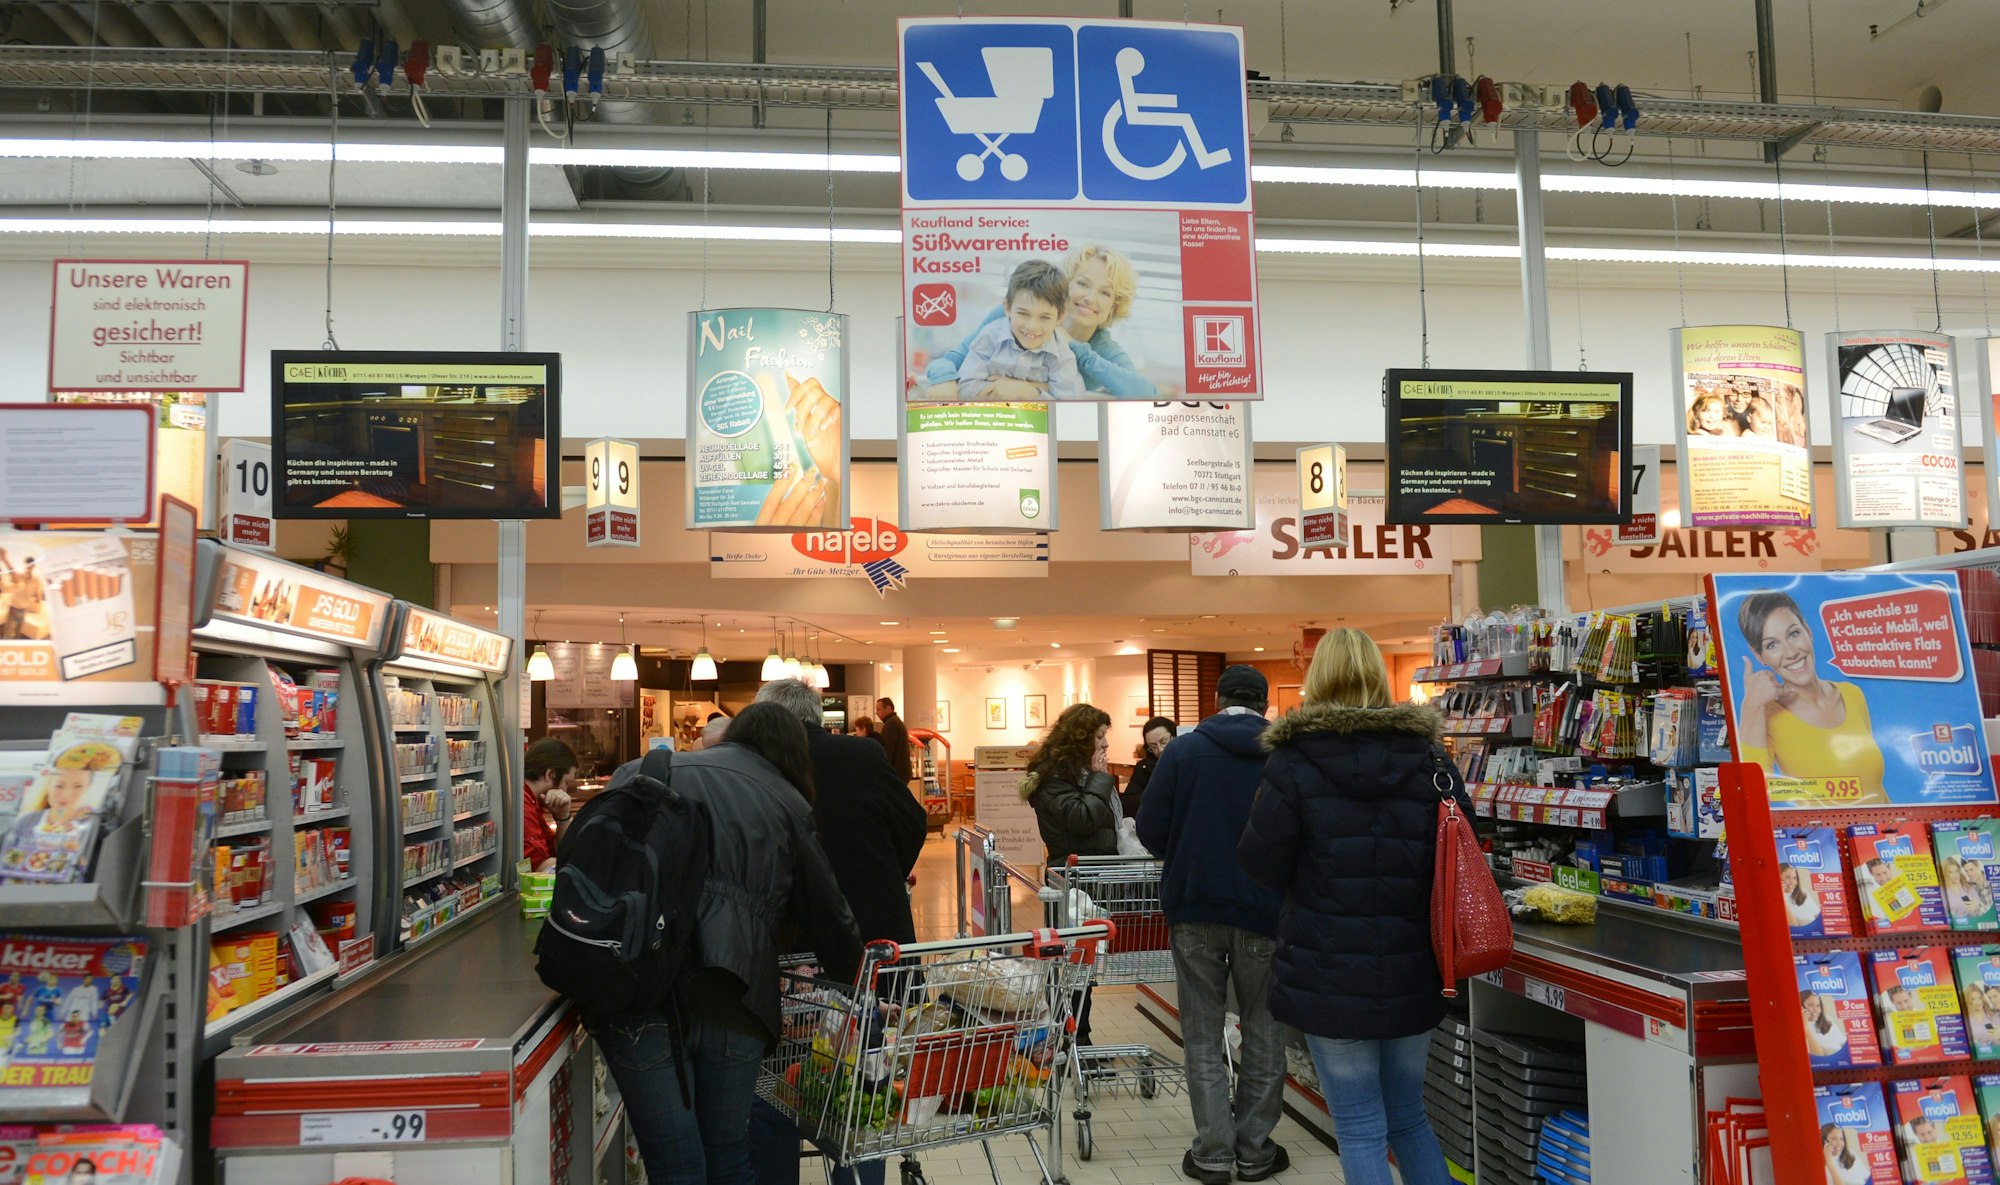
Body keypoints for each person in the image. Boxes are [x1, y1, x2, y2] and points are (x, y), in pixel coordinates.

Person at [594, 701, 862, 1185]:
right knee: (727, 1155)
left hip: (635, 992)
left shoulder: (640, 772)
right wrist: (857, 982)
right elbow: (831, 914)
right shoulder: (783, 798)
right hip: (734, 996)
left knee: (675, 1165)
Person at [1238, 628, 1470, 1185]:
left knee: (1361, 1126)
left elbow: (1260, 865)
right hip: (1417, 964)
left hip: (1327, 968)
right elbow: (1463, 847)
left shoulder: (1291, 763)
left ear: (1318, 679)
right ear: (1376, 676)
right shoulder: (1429, 758)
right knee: (1410, 1118)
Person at [749, 679, 929, 1185]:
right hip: (869, 948)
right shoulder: (860, 755)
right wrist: (881, 874)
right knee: (861, 1083)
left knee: (775, 1085)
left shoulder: (758, 767)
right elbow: (913, 822)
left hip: (785, 957)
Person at [1135, 670, 1288, 1185]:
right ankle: (1255, 1149)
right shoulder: (1283, 753)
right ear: (1265, 706)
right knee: (1265, 1029)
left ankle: (1214, 1154)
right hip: (1265, 911)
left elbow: (1152, 828)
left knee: (1202, 1033)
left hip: (1194, 906)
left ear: (1217, 701)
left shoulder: (1181, 752)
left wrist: (1185, 852)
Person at [924, 244, 1155, 399]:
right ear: (1065, 286)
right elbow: (951, 360)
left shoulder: (1103, 350)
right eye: (1082, 284)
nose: (1089, 298)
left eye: (1105, 293)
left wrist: (1077, 353)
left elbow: (1146, 395)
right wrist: (944, 380)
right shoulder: (1011, 318)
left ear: (1115, 305)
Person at [1735, 591, 1888, 803]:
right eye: (1772, 645)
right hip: (1818, 836)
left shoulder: (1852, 694)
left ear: (1808, 631)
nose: (1790, 652)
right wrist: (1751, 705)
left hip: (1878, 835)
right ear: (1759, 655)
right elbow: (1752, 795)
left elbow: (1877, 790)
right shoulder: (1766, 716)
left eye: (1794, 634)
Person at [952, 259, 1085, 402]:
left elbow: (1071, 403)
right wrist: (1042, 389)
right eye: (1023, 313)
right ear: (1007, 307)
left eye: (1044, 317)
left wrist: (1030, 392)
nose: (1032, 326)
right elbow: (965, 389)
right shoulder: (990, 336)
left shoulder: (1061, 354)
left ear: (1059, 318)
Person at [521, 737, 578, 871]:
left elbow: (559, 851)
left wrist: (562, 818)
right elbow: (540, 866)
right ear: (550, 774)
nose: (565, 791)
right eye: (566, 782)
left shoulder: (533, 802)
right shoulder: (523, 804)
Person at [1120, 716, 1177, 819]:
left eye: (1164, 742)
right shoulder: (1143, 767)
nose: (1160, 749)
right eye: (1153, 746)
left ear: (1175, 735)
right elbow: (1128, 803)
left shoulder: (1189, 761)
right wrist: (1155, 795)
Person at [875, 698, 913, 785]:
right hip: (901, 772)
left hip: (896, 773)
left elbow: (888, 750)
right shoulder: (895, 721)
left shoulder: (891, 724)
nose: (876, 713)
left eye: (879, 709)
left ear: (888, 708)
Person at [1801, 991, 1847, 1059]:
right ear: (1801, 1007)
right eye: (1811, 1005)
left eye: (1818, 1005)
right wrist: (1805, 1029)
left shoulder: (1827, 1020)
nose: (1816, 1010)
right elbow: (1819, 1056)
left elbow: (1843, 1043)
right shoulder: (1803, 1029)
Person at [1780, 864, 1822, 931]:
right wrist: (1781, 897)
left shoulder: (1802, 891)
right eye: (1787, 877)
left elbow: (1817, 915)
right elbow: (1794, 925)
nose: (1792, 882)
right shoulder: (1777, 899)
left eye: (1794, 878)